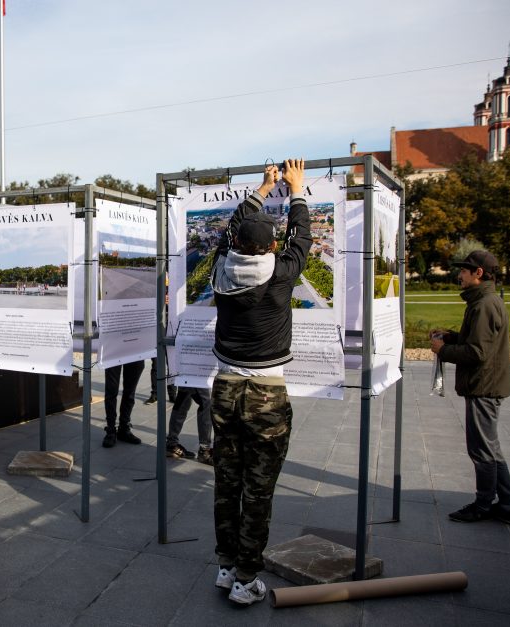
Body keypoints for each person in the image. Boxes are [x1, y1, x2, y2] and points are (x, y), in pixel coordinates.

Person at [208, 159, 311, 606]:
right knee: (259, 486)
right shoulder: (280, 276)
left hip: (226, 386)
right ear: (270, 245)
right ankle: (247, 577)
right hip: (267, 392)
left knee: (228, 479)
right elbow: (302, 239)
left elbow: (231, 231)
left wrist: (264, 188)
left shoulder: (219, 270)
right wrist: (297, 189)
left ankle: (227, 563)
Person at [430, 250, 510, 525]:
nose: (460, 275)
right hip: (488, 384)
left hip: (484, 386)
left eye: (464, 271)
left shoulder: (483, 305)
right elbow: (479, 342)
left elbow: (477, 352)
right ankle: (506, 505)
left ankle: (483, 504)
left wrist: (443, 349)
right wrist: (452, 336)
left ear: (478, 273)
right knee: (491, 448)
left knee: (482, 450)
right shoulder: (485, 301)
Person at [102, 360, 145, 447]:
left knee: (130, 392)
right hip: (114, 349)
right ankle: (111, 430)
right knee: (111, 391)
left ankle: (124, 428)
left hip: (136, 350)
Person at [165, 386, 213, 464]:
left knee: (183, 398)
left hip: (188, 374)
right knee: (206, 403)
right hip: (196, 375)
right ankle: (204, 450)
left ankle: (171, 444)